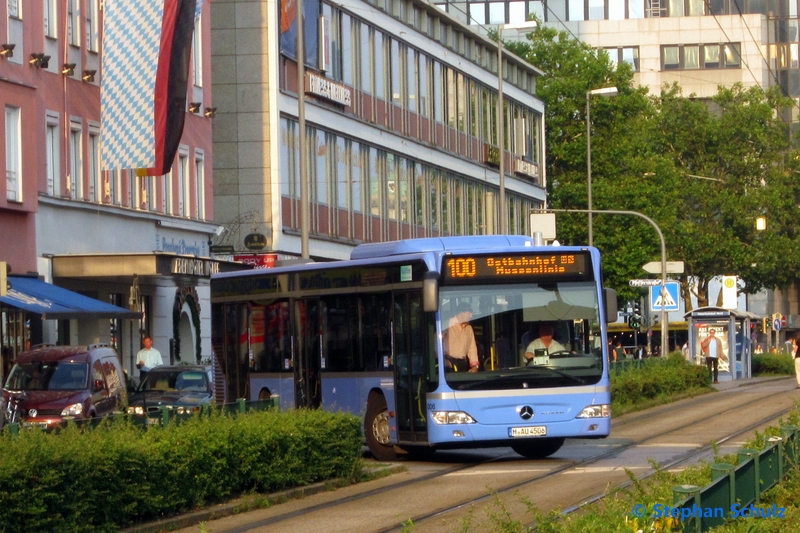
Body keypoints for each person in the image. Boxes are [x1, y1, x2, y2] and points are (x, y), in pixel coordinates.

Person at [442, 303, 479, 372]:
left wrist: (475, 366)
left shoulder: (469, 328)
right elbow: (436, 344)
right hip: (448, 364)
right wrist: (443, 361)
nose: (471, 315)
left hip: (462, 364)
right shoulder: (446, 324)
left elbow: (472, 348)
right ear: (461, 313)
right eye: (469, 313)